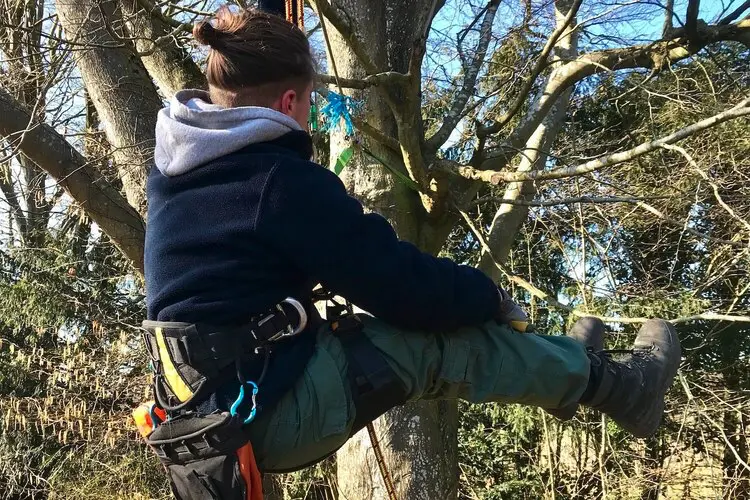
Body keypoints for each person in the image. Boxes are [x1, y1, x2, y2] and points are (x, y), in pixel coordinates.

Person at [140, 7, 681, 498]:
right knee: (434, 341)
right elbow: (406, 289)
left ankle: (568, 368)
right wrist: (487, 294)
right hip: (265, 414)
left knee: (412, 327)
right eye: (309, 105)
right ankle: (619, 389)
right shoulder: (277, 183)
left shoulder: (176, 171)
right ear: (289, 102)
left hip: (204, 416)